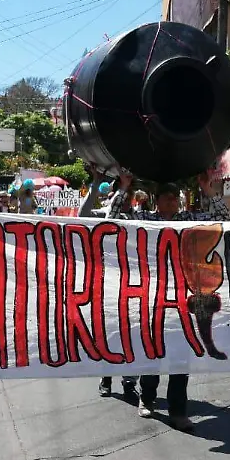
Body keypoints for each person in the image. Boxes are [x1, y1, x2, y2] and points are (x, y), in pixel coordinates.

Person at [129, 174, 230, 432]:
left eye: (176, 198)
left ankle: (178, 411)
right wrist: (123, 188)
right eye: (167, 198)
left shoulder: (189, 220)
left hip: (184, 297)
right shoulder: (145, 220)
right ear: (157, 201)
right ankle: (147, 397)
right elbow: (114, 218)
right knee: (153, 348)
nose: (173, 202)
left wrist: (207, 190)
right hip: (153, 294)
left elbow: (223, 220)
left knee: (179, 352)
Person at [80, 167, 139, 399]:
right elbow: (83, 213)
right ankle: (106, 377)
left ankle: (129, 381)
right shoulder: (104, 214)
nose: (126, 199)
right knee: (110, 333)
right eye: (123, 194)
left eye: (129, 195)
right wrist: (95, 184)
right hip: (109, 286)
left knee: (132, 335)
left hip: (133, 285)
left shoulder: (137, 217)